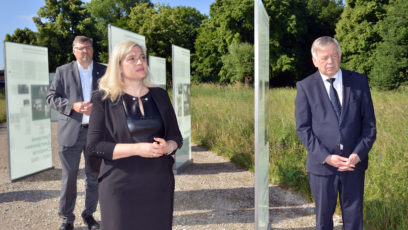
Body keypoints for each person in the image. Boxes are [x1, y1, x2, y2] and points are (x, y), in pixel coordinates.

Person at [86, 40, 183, 230]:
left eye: (142, 57)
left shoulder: (160, 95)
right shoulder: (102, 99)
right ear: (118, 66)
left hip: (158, 185)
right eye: (132, 58)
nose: (140, 62)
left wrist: (168, 147)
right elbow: (94, 146)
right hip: (119, 186)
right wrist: (138, 149)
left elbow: (176, 136)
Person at [295, 36, 376, 230]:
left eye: (334, 55)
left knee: (354, 218)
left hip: (353, 165)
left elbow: (369, 126)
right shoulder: (305, 87)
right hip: (322, 167)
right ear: (315, 60)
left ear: (340, 55)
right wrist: (326, 157)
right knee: (323, 220)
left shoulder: (358, 81)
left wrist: (358, 154)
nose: (330, 61)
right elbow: (303, 129)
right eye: (324, 57)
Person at [47, 35, 106, 230]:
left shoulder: (104, 71)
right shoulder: (63, 71)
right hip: (70, 131)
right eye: (81, 48)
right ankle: (66, 218)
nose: (85, 51)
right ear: (74, 51)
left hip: (96, 133)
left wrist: (97, 109)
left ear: (92, 49)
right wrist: (73, 105)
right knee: (69, 177)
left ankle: (89, 215)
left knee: (94, 177)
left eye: (88, 47)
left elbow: (112, 98)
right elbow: (51, 97)